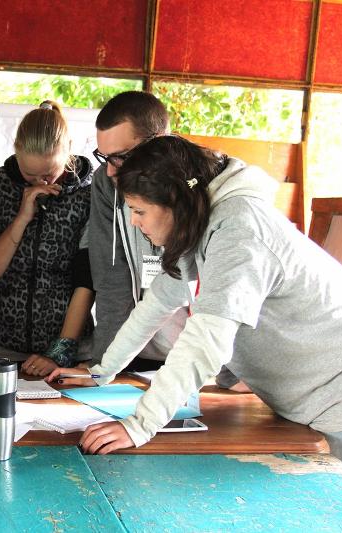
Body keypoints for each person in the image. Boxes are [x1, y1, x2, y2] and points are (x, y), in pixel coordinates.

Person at [48, 136, 342, 487]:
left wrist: (139, 424)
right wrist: (102, 372)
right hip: (307, 398)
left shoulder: (240, 229)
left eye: (139, 211)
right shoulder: (200, 220)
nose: (134, 222)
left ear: (174, 201)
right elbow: (156, 304)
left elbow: (206, 342)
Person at [90, 91, 244, 389]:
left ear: (159, 142)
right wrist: (101, 369)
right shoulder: (106, 181)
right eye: (104, 157)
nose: (110, 170)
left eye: (121, 157)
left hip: (208, 360)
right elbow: (113, 279)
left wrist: (231, 374)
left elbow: (226, 303)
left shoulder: (213, 196)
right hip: (138, 352)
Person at [0, 101, 93, 376]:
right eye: (29, 174)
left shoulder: (89, 196)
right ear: (16, 153)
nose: (40, 183)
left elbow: (87, 280)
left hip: (67, 352)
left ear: (68, 150)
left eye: (48, 174)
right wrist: (21, 219)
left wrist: (59, 352)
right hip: (0, 350)